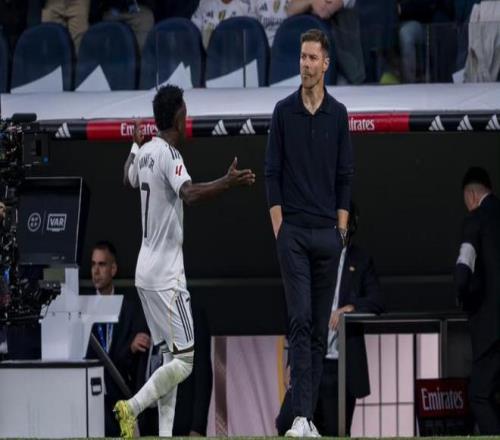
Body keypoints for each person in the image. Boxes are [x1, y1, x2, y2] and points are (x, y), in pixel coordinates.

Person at [114, 84, 255, 438]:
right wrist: (227, 182)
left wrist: (133, 144)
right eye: (186, 112)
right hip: (167, 276)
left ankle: (164, 435)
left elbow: (127, 178)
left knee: (168, 358)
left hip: (144, 272)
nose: (187, 117)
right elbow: (189, 194)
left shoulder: (145, 151)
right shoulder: (169, 155)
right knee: (187, 361)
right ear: (179, 117)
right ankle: (132, 407)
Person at [265, 28, 354, 437]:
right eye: (302, 57)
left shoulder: (339, 114)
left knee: (319, 331)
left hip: (327, 237)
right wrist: (280, 229)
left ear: (326, 63)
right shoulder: (283, 111)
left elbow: (345, 177)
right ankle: (300, 417)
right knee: (299, 321)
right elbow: (271, 173)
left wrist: (341, 232)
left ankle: (304, 418)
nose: (305, 64)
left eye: (312, 58)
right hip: (295, 235)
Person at [276, 203, 384, 436]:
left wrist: (350, 309)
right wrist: (289, 360)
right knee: (286, 422)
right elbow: (295, 310)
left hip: (340, 365)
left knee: (335, 430)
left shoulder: (360, 260)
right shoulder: (312, 256)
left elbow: (377, 300)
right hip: (310, 359)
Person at [86, 241, 151, 437]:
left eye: (102, 264)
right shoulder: (82, 309)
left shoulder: (130, 310)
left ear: (113, 269)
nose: (96, 271)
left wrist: (131, 348)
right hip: (89, 401)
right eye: (93, 264)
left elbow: (136, 363)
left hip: (122, 403)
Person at [455, 167, 500, 435]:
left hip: (490, 326)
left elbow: (464, 266)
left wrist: (461, 295)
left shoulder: (475, 220)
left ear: (471, 195)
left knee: (480, 395)